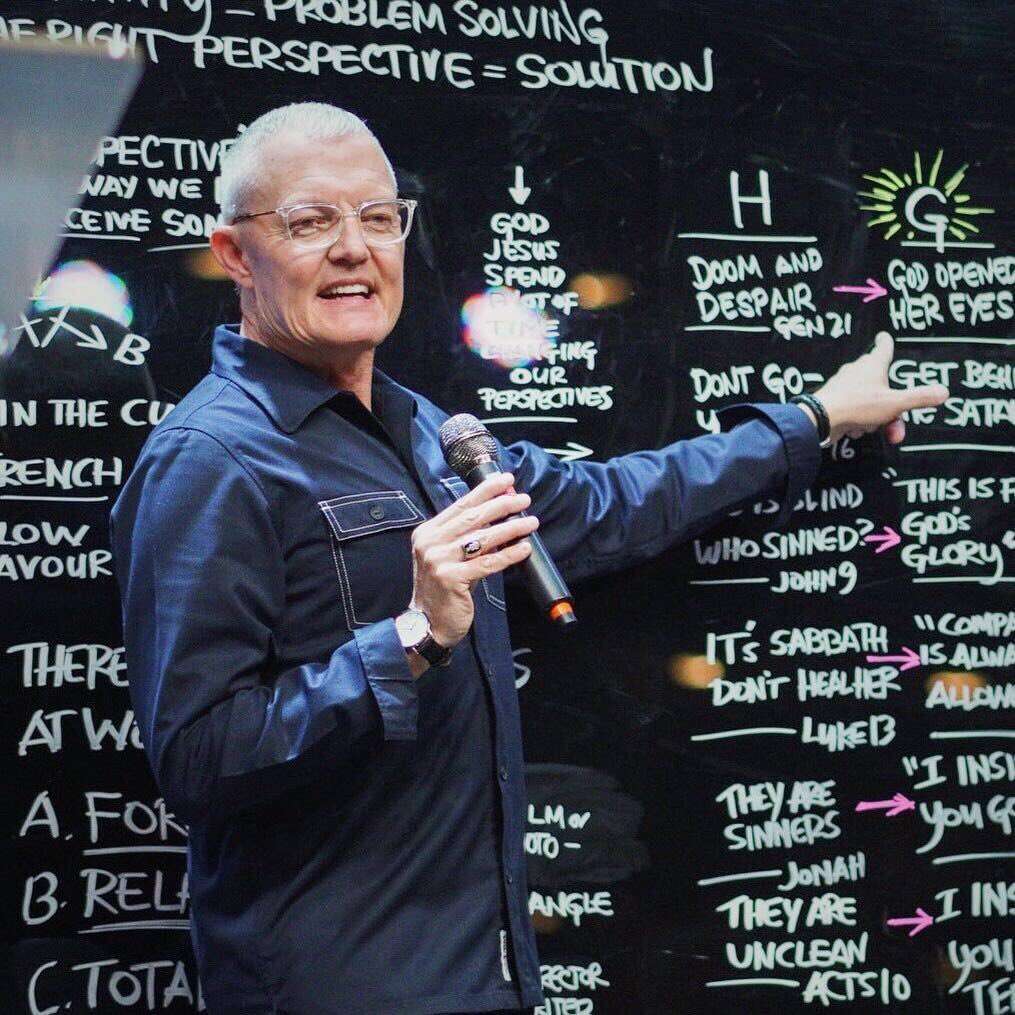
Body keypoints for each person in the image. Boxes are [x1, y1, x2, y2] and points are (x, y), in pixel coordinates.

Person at [109, 102, 948, 1015]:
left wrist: (815, 420)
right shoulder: (210, 459)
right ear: (235, 254)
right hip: (338, 985)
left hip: (484, 970)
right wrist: (414, 637)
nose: (354, 248)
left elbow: (619, 501)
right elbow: (198, 758)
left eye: (379, 217)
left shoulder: (429, 435)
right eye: (311, 222)